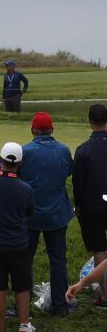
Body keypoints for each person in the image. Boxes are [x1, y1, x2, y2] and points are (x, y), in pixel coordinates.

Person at [19, 111, 74, 316]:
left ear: (33, 130)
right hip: (57, 214)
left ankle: (23, 303)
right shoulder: (63, 150)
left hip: (30, 215)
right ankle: (60, 305)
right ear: (52, 129)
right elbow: (68, 171)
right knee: (58, 259)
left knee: (25, 260)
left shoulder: (25, 152)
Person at [0, 142, 35, 332]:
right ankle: (24, 324)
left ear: (0, 160)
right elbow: (29, 211)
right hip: (19, 244)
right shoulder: (26, 189)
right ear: (20, 163)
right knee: (22, 286)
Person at [72, 102, 107, 308]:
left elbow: (78, 182)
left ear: (89, 121)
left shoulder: (83, 150)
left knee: (100, 251)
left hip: (92, 207)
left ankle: (105, 296)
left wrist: (78, 206)